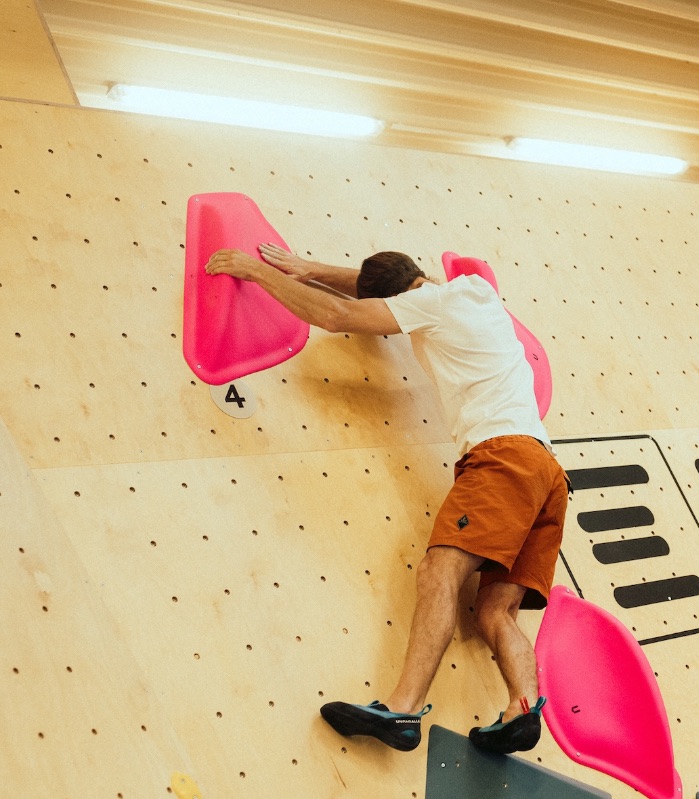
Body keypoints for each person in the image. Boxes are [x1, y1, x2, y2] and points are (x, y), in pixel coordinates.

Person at [205, 242, 569, 754]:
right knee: (494, 612)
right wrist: (312, 268)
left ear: (392, 298)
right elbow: (380, 285)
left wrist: (253, 272)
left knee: (440, 573)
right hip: (547, 472)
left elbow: (339, 313)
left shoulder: (426, 306)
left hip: (501, 460)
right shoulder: (476, 292)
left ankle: (401, 709)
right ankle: (521, 709)